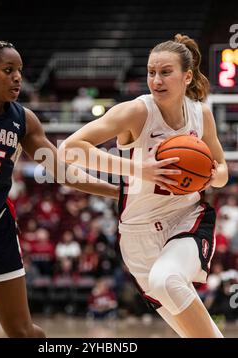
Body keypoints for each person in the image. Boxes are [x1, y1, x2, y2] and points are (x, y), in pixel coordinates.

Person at [0, 0, 119, 338]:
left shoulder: (24, 120)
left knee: (24, 332)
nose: (18, 77)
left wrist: (116, 191)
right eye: (8, 70)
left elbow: (61, 170)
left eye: (20, 70)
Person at [59, 34, 229, 337]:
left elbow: (223, 170)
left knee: (166, 280)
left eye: (165, 72)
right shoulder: (137, 111)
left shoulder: (201, 113)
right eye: (151, 72)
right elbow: (70, 149)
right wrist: (138, 169)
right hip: (137, 235)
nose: (156, 80)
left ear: (187, 76)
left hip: (187, 220)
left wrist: (215, 176)